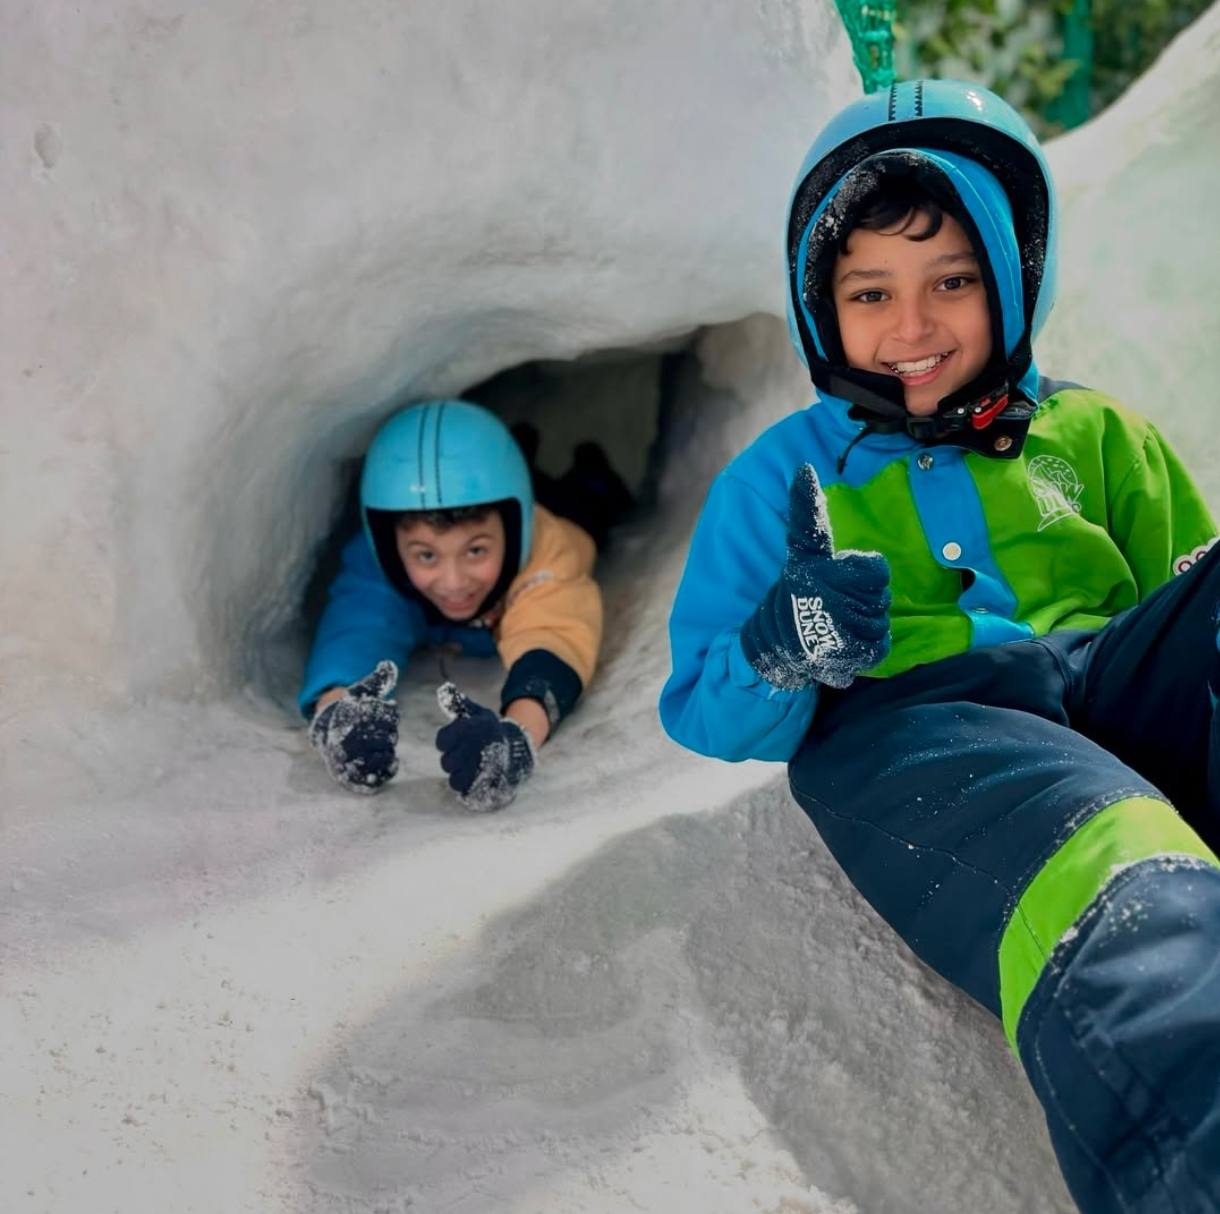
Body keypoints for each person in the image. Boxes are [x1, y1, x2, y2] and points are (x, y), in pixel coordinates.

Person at [660, 79, 1220, 1213]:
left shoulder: (1096, 431)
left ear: (1011, 281)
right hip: (926, 722)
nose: (910, 327)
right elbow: (701, 706)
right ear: (821, 308)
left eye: (950, 281)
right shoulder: (779, 476)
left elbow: (1182, 592)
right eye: (869, 292)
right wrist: (787, 646)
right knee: (1116, 859)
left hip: (1101, 666)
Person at [302, 400, 605, 811]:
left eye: (476, 550)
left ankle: (585, 468)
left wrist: (516, 737)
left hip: (570, 513)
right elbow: (358, 630)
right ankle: (521, 451)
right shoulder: (378, 565)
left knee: (593, 499)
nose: (454, 582)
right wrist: (337, 713)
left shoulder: (546, 555)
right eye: (426, 555)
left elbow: (554, 639)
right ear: (388, 546)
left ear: (518, 533)